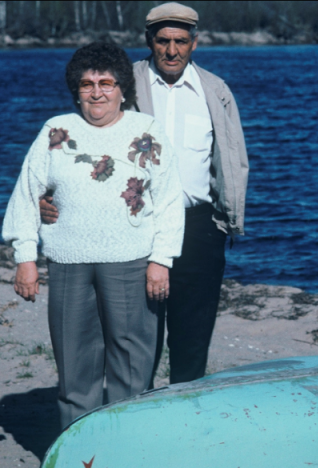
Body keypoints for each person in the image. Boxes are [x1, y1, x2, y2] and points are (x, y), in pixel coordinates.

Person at [40, 2, 249, 385]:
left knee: (193, 335)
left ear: (195, 43)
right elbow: (77, 142)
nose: (172, 50)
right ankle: (136, 408)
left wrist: (227, 222)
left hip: (199, 227)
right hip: (135, 224)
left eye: (181, 41)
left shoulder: (215, 91)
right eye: (164, 41)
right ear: (148, 40)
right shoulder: (123, 84)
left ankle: (184, 415)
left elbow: (231, 159)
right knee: (135, 333)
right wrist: (48, 195)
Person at [3, 41, 185, 428]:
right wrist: (25, 259)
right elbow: (26, 194)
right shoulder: (55, 131)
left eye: (106, 82)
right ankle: (78, 448)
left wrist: (161, 261)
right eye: (87, 84)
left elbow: (169, 201)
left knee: (132, 365)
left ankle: (129, 444)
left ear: (123, 89)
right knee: (75, 363)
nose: (97, 92)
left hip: (132, 262)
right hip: (68, 261)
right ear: (76, 89)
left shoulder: (146, 132)